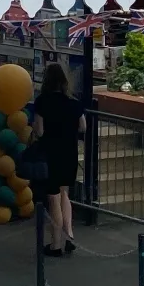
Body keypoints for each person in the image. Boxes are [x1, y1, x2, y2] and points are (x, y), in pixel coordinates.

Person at [30, 62, 85, 255]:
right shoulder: (73, 102)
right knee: (64, 194)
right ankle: (69, 236)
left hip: (51, 153)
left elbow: (40, 130)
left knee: (53, 197)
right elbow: (83, 127)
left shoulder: (42, 102)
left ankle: (55, 244)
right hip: (70, 152)